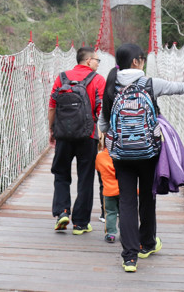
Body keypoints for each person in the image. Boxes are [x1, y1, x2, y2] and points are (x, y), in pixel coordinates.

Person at [98, 42, 184, 273]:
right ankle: (147, 244)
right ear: (136, 62)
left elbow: (103, 125)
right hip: (149, 152)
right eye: (142, 58)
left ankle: (129, 257)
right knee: (147, 198)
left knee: (127, 202)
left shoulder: (111, 86)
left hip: (121, 154)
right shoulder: (150, 84)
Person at [48, 46, 105, 234]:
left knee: (61, 173)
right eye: (97, 60)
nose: (98, 63)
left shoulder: (62, 77)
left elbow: (52, 106)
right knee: (86, 178)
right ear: (89, 61)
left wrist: (52, 129)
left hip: (63, 135)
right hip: (87, 136)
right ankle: (80, 223)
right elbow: (102, 110)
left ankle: (62, 212)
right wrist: (103, 134)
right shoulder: (98, 80)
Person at [95, 136, 120, 243]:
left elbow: (98, 168)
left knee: (110, 212)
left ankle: (110, 234)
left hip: (108, 191)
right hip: (123, 190)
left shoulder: (100, 157)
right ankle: (125, 233)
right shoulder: (122, 155)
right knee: (125, 212)